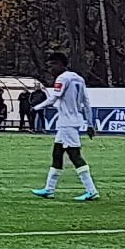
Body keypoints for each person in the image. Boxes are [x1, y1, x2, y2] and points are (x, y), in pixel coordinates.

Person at [31, 51, 101, 202]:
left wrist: (36, 107)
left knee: (75, 155)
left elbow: (54, 98)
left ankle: (91, 190)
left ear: (61, 64)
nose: (51, 70)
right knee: (57, 154)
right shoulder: (78, 78)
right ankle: (49, 189)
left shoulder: (62, 79)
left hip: (67, 124)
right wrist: (89, 123)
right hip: (69, 122)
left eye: (52, 66)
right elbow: (86, 102)